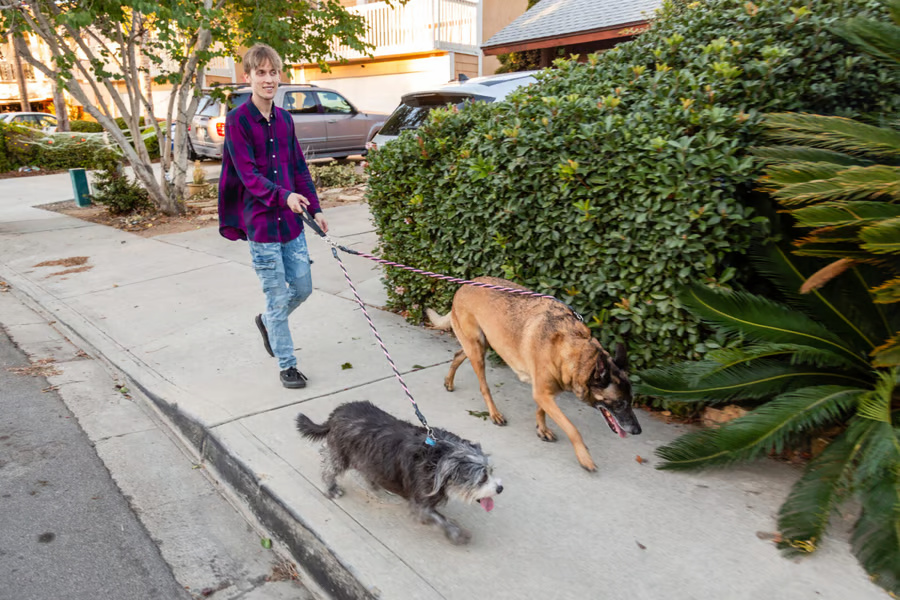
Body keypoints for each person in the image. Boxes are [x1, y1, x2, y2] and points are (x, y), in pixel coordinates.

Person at [218, 43, 328, 389]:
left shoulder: (285, 119)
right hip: (262, 227)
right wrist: (284, 196)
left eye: (273, 72)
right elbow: (248, 176)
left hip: (293, 225)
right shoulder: (237, 121)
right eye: (260, 73)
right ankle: (287, 364)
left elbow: (298, 167)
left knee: (303, 287)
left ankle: (267, 321)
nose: (268, 79)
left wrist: (316, 206)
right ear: (247, 76)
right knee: (278, 296)